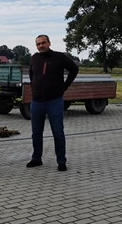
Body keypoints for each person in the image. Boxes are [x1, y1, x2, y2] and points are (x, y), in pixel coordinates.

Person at [27, 34, 79, 171]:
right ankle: (36, 158)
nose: (41, 46)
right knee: (36, 132)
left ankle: (61, 161)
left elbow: (74, 69)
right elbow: (32, 75)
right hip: (37, 102)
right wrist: (34, 89)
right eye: (38, 44)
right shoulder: (34, 58)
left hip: (54, 101)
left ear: (49, 43)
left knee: (58, 132)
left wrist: (64, 86)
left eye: (43, 43)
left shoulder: (59, 57)